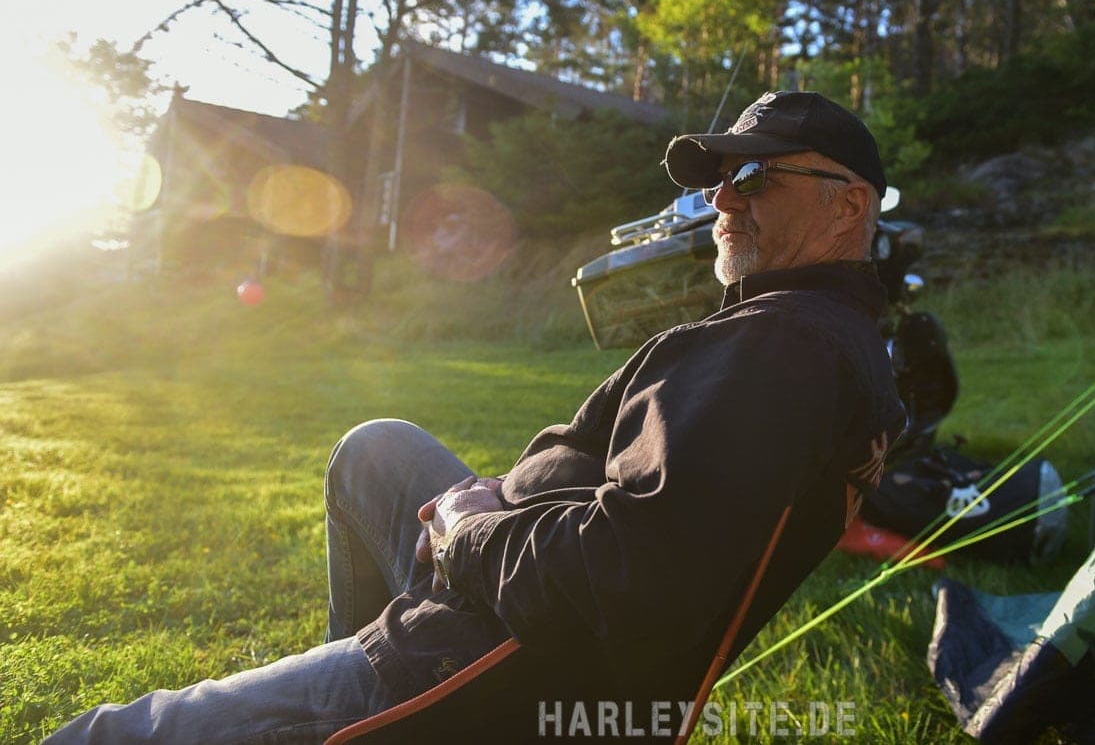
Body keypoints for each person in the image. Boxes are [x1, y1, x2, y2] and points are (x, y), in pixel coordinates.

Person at [48, 90, 907, 743]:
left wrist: (469, 526)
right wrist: (494, 498)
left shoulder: (781, 346)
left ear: (848, 205)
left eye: (753, 176)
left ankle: (377, 682)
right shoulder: (821, 340)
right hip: (517, 599)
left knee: (120, 731)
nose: (722, 199)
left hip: (497, 664)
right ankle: (362, 658)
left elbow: (630, 581)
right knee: (375, 449)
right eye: (723, 178)